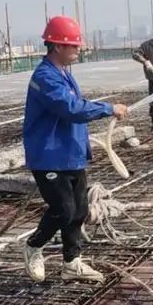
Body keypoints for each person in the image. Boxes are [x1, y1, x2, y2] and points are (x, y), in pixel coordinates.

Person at [22, 15, 130, 283]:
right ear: (57, 46)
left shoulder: (63, 74)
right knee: (64, 209)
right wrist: (108, 108)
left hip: (70, 154)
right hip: (49, 157)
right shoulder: (45, 77)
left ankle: (72, 263)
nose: (79, 50)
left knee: (79, 210)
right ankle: (34, 246)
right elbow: (71, 109)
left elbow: (74, 107)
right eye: (74, 45)